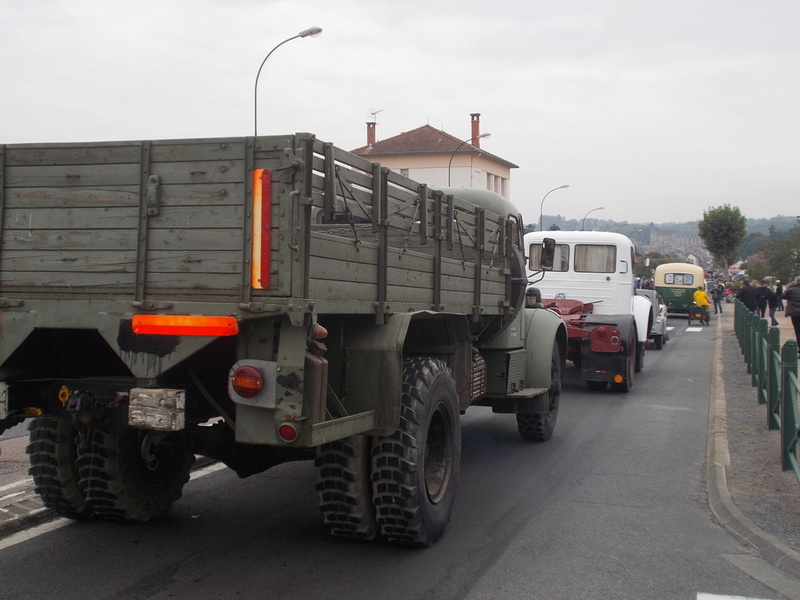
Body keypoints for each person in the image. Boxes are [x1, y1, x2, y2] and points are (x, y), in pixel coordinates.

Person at [782, 276, 800, 356]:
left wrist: (790, 286)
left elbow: (783, 296)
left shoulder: (791, 290)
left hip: (795, 313)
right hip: (795, 312)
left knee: (798, 331)